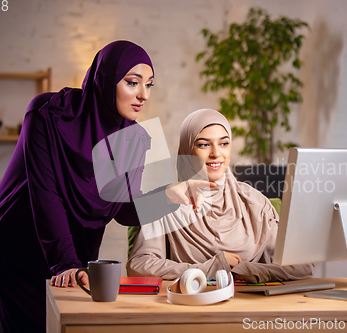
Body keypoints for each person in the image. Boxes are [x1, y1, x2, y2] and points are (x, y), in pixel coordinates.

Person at [0, 41, 209, 333]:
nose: (143, 95)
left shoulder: (134, 137)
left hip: (76, 241)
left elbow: (123, 212)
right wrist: (65, 262)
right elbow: (45, 194)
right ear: (104, 79)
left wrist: (170, 194)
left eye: (149, 85)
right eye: (132, 83)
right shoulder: (47, 114)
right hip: (19, 236)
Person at [127, 109, 313, 283]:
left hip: (250, 308)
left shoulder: (253, 202)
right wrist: (209, 269)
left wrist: (252, 271)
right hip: (190, 306)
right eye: (204, 145)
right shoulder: (168, 199)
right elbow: (139, 265)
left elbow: (302, 265)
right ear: (187, 150)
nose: (216, 154)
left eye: (224, 143)